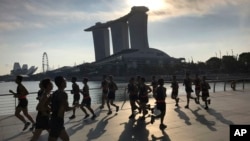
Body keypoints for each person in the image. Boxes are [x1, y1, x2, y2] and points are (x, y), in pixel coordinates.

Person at [48, 76, 75, 141]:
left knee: (62, 139)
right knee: (65, 139)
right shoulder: (63, 94)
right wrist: (75, 107)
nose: (66, 82)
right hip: (58, 120)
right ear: (62, 83)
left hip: (53, 118)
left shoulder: (55, 93)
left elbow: (50, 105)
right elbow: (66, 108)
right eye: (65, 81)